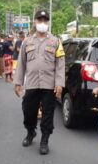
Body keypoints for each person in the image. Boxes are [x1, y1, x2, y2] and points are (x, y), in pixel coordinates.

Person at [14, 10, 65, 155]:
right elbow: (21, 63)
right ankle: (31, 132)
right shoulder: (27, 41)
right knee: (28, 111)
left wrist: (59, 83)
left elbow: (60, 64)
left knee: (48, 114)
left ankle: (44, 140)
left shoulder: (55, 41)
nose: (42, 23)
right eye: (39, 20)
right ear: (34, 22)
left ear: (48, 23)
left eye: (45, 20)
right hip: (31, 83)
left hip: (49, 85)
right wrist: (18, 82)